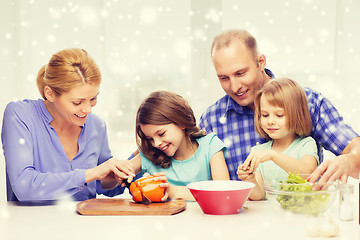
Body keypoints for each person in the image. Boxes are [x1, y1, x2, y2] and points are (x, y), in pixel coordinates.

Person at [199, 29, 360, 185]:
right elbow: (197, 178)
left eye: (240, 73)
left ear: (261, 62)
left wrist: (349, 161)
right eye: (223, 77)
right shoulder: (211, 119)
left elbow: (354, 147)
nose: (234, 87)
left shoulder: (308, 102)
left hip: (301, 210)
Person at [1, 48, 134, 202]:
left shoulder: (97, 126)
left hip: (86, 224)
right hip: (33, 225)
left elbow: (103, 184)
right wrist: (90, 173)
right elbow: (24, 187)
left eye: (93, 99)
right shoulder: (20, 115)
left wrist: (136, 161)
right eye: (77, 102)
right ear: (50, 93)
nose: (88, 110)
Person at [103, 91, 230, 201]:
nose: (156, 143)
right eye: (150, 139)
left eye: (161, 134)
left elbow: (224, 193)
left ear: (181, 122)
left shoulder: (210, 146)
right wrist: (116, 174)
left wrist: (173, 192)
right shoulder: (151, 155)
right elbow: (105, 185)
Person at [237, 78, 318, 200]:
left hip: (299, 214)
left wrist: (273, 156)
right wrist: (250, 179)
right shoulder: (258, 151)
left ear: (297, 115)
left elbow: (307, 174)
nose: (270, 121)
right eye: (265, 115)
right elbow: (258, 196)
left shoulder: (306, 144)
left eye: (279, 115)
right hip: (269, 216)